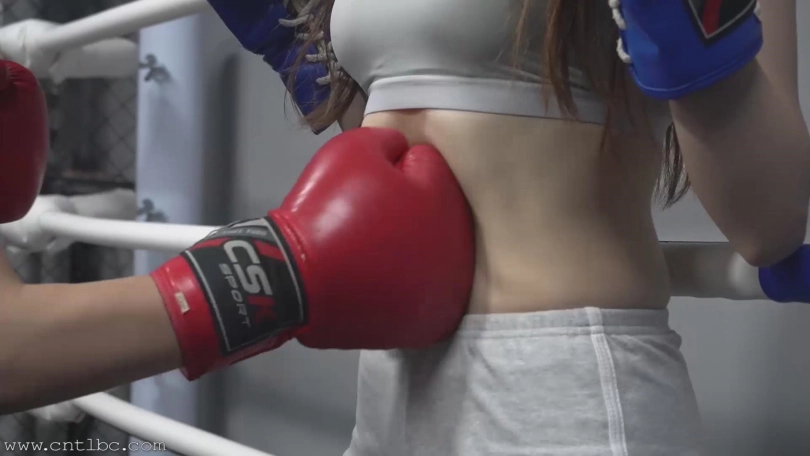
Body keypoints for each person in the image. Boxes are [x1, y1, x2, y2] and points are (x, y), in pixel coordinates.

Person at [1, 0, 809, 454]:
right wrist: (304, 56)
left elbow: (771, 221)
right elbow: (409, 148)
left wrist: (694, 42)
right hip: (397, 378)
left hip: (560, 378)